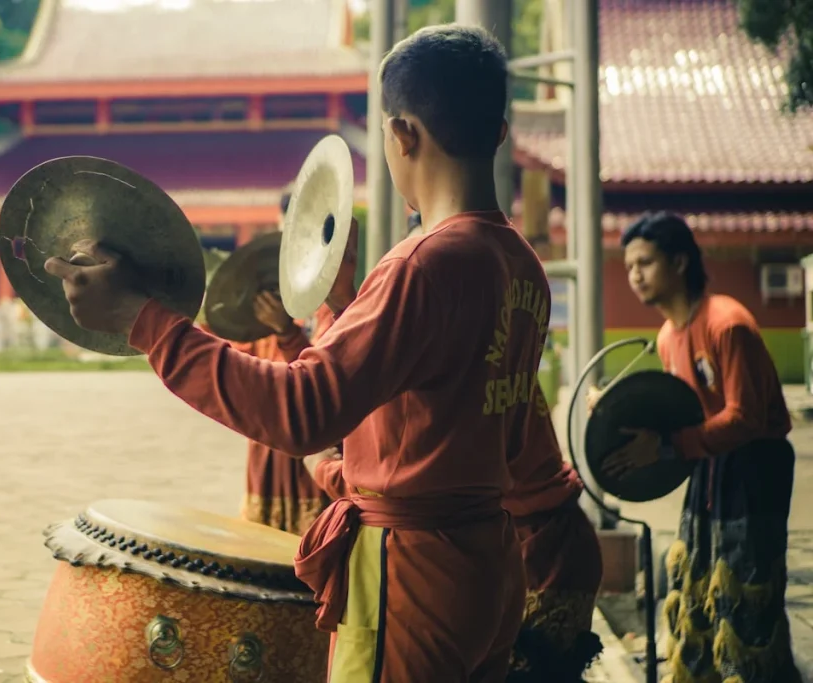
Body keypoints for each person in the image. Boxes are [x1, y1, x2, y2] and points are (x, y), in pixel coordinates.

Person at [44, 24, 543, 681]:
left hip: (415, 576)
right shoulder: (520, 264)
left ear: (401, 136)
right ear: (501, 132)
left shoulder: (425, 264)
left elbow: (301, 410)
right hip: (486, 566)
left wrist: (148, 324)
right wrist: (336, 313)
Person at [603, 212, 799, 683]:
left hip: (755, 465)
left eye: (645, 263)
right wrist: (613, 409)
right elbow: (681, 413)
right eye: (629, 266)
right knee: (698, 580)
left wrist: (669, 446)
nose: (635, 276)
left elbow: (746, 418)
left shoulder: (728, 323)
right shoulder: (669, 336)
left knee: (746, 587)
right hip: (708, 463)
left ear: (679, 261)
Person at [305, 383, 604, 682]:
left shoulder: (448, 363)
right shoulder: (493, 347)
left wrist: (324, 467)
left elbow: (416, 486)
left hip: (530, 551)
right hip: (532, 542)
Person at [219, 189, 333, 535]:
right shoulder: (264, 297)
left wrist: (287, 332)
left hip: (311, 447)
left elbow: (325, 381)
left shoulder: (327, 303)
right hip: (267, 444)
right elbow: (236, 362)